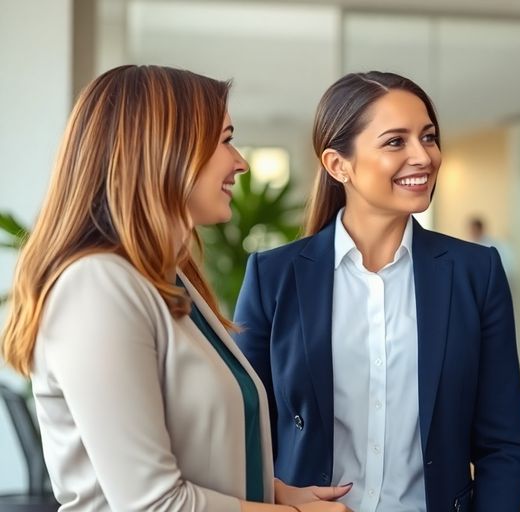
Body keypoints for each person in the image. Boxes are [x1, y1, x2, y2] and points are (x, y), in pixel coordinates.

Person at [0, 65, 351, 512]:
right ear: (164, 148)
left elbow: (201, 458)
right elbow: (154, 503)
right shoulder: (96, 287)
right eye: (225, 140)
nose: (240, 162)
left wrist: (281, 493)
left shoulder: (167, 277)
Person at [233, 71, 520, 512]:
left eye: (428, 137)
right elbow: (241, 430)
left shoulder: (475, 272)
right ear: (338, 165)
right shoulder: (273, 276)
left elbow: (501, 440)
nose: (423, 156)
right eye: (395, 142)